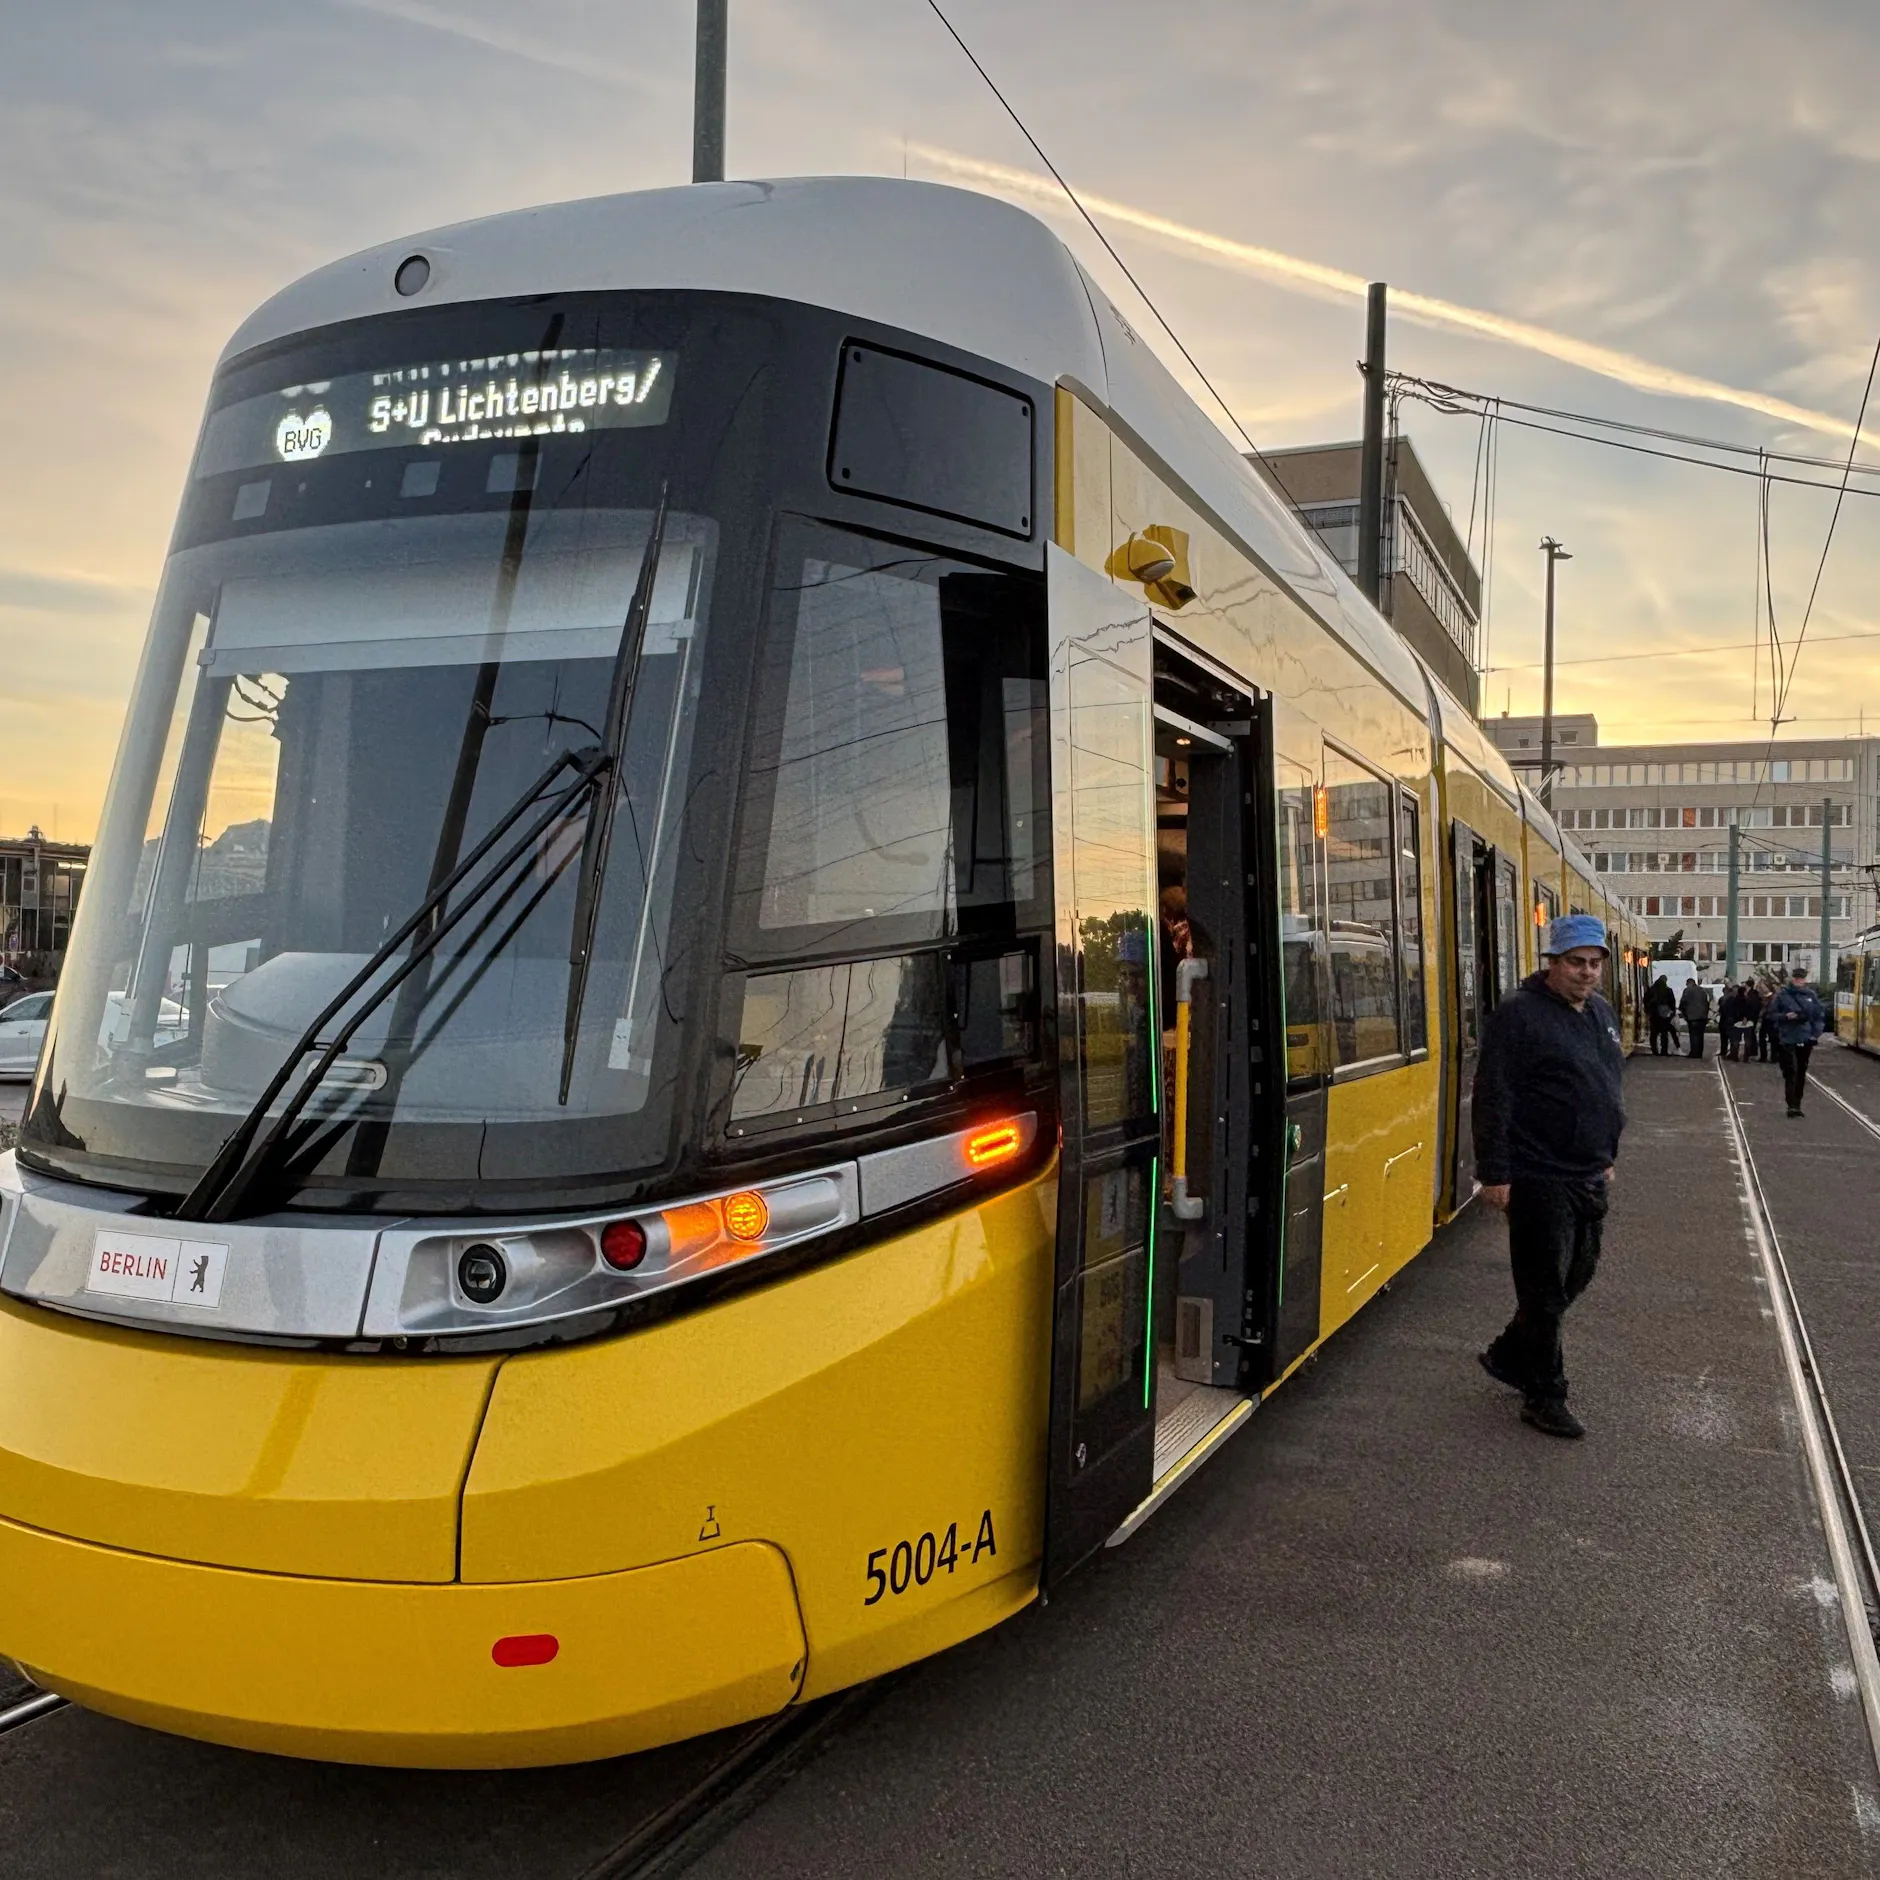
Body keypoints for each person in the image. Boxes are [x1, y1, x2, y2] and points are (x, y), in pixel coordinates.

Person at [1474, 913, 1626, 1440]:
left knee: (1576, 1277)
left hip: (1587, 1170)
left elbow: (1607, 1084)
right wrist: (1495, 1172)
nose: (1586, 972)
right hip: (1538, 1173)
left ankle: (1508, 1354)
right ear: (1553, 963)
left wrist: (1607, 1150)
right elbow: (1494, 1095)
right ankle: (1544, 1394)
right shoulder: (1519, 1016)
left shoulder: (1601, 1013)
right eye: (1575, 963)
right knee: (1542, 1291)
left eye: (1594, 963)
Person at [1769, 962, 1828, 1117]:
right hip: (1788, 1038)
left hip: (1805, 1038)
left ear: (1804, 980)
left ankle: (1797, 1103)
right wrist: (1785, 1017)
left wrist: (1815, 1034)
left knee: (1801, 1071)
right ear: (1792, 979)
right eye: (1796, 978)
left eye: (1801, 978)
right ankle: (1791, 1105)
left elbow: (1818, 1016)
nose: (1798, 981)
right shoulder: (1782, 995)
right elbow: (1771, 1015)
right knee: (1791, 1071)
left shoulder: (1811, 996)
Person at [1645, 975, 1677, 1056]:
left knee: (1653, 1034)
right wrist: (1672, 1013)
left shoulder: (1651, 990)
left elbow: (1645, 1001)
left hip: (1654, 1015)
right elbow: (1672, 1002)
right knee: (1664, 1033)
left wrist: (1648, 1011)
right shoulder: (1668, 990)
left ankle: (1654, 1050)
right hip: (1665, 1015)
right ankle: (1664, 1050)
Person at [1679, 977, 1710, 1058]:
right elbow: (1707, 1004)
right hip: (1702, 1017)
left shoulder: (1687, 991)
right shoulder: (1702, 991)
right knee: (1700, 1036)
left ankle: (1694, 1053)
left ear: (1689, 983)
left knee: (1694, 1035)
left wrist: (1684, 1013)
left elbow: (1683, 1003)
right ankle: (1699, 1052)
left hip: (1692, 1017)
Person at [1717, 982, 1745, 1061]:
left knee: (1732, 1039)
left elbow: (1723, 1009)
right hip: (1732, 1020)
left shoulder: (1729, 999)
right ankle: (1732, 1054)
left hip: (1730, 1020)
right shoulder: (1740, 999)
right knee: (1733, 1039)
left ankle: (1731, 1053)